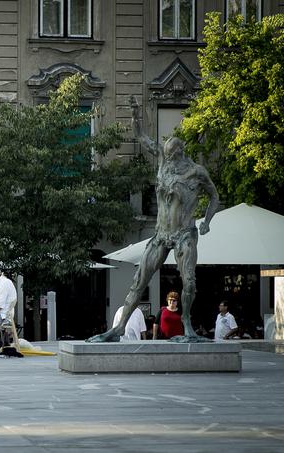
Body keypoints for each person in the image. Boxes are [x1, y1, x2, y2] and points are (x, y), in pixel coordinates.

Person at [88, 96, 220, 342]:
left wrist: (207, 221)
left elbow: (215, 197)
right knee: (139, 281)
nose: (168, 159)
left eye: (172, 155)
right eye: (167, 155)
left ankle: (187, 325)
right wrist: (136, 114)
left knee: (189, 282)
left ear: (180, 153)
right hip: (161, 234)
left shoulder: (196, 172)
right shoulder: (162, 161)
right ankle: (118, 329)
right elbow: (141, 138)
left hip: (184, 233)